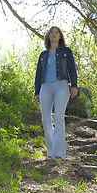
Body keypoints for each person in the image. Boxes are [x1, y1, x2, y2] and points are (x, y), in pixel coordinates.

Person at [35, 26, 77, 161]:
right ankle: (50, 152)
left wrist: (74, 86)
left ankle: (59, 153)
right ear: (48, 36)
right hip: (45, 87)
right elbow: (38, 74)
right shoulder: (43, 54)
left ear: (60, 36)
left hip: (61, 86)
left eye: (56, 32)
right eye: (51, 32)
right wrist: (36, 92)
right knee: (46, 120)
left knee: (58, 119)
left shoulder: (66, 51)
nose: (53, 34)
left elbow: (72, 69)